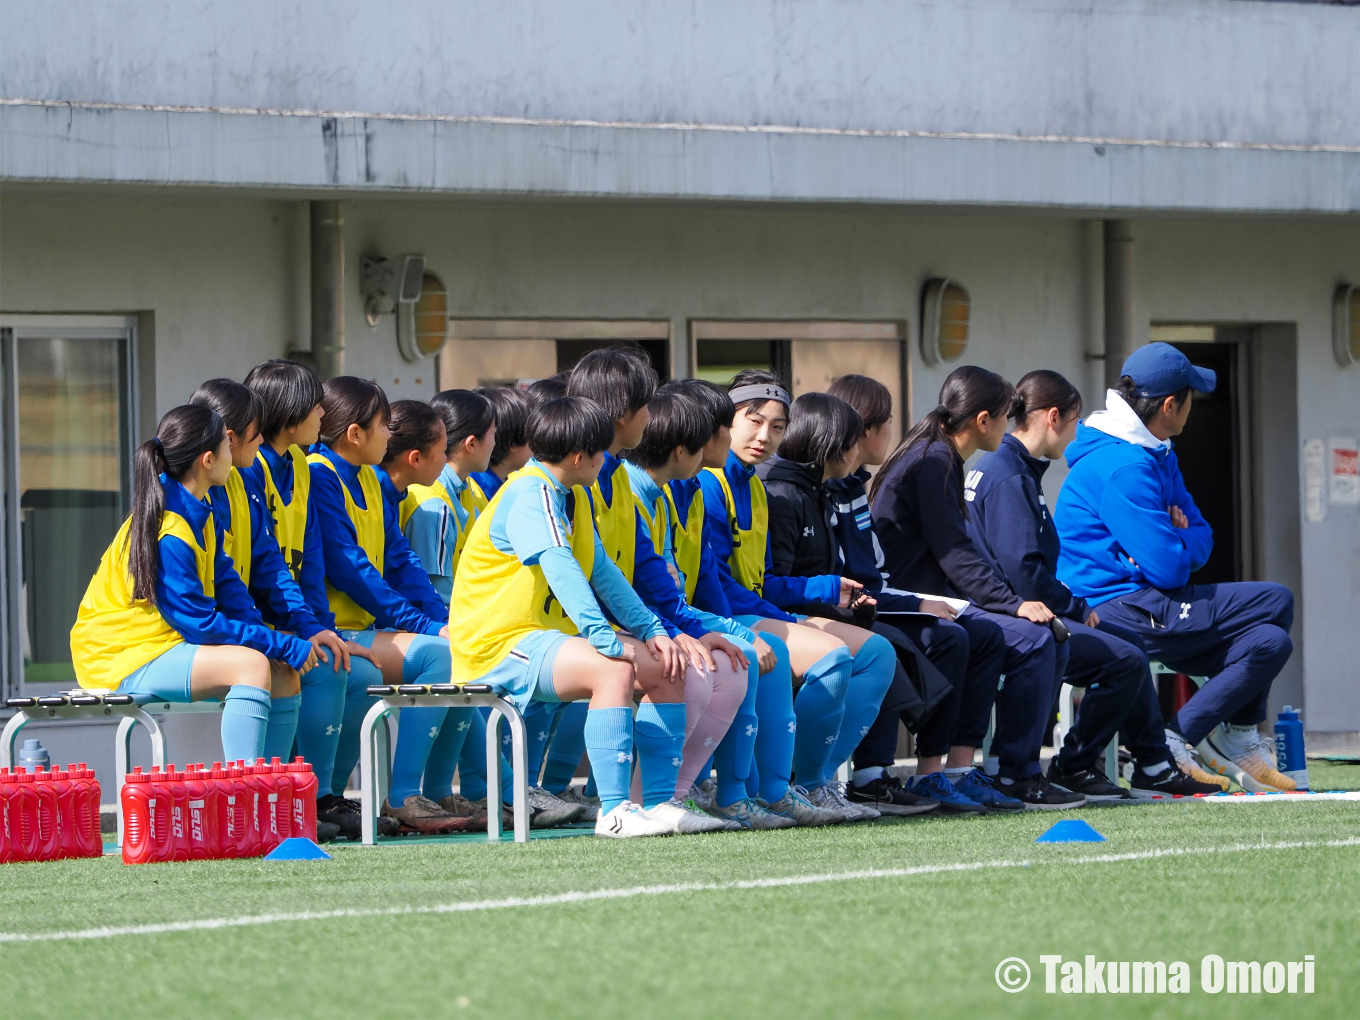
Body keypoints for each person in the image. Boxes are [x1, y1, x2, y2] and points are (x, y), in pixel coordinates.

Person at [967, 370, 1226, 798]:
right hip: (1012, 617)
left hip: (1009, 609)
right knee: (1113, 656)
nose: (1075, 435)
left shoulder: (1010, 467)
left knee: (1126, 649)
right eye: (1073, 423)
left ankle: (1136, 764)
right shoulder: (1009, 472)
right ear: (1053, 417)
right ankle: (1031, 771)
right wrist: (1073, 605)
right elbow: (1023, 568)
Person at [1054, 343, 1297, 792]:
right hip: (1111, 606)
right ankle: (1191, 740)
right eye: (1190, 398)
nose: (1191, 408)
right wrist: (1174, 541)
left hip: (1147, 598)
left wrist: (1175, 538)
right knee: (1275, 598)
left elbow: (1199, 534)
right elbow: (1169, 569)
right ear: (1170, 405)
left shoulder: (1156, 449)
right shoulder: (1123, 464)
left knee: (1270, 641)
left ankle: (1217, 737)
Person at [448, 395, 687, 838]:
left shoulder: (572, 494)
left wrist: (652, 631)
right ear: (581, 457)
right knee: (612, 668)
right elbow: (560, 566)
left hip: (543, 640)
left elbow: (603, 573)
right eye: (602, 452)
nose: (608, 460)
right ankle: (615, 812)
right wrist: (604, 636)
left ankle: (657, 803)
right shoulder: (529, 491)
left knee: (665, 667)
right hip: (497, 644)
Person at [871, 366, 1083, 810]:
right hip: (904, 602)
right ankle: (990, 773)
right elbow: (955, 554)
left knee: (1008, 635)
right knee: (1023, 640)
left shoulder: (941, 456)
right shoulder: (933, 460)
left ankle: (961, 771)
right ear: (983, 420)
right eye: (1007, 416)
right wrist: (1013, 603)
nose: (1010, 426)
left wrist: (1010, 604)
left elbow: (959, 552)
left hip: (935, 598)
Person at [698, 370, 897, 824]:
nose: (764, 436)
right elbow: (713, 585)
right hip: (722, 616)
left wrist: (809, 596)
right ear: (726, 420)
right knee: (830, 657)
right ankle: (789, 784)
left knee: (877, 653)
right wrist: (807, 597)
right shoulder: (713, 484)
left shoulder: (754, 485)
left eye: (777, 426)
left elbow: (759, 581)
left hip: (751, 610)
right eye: (753, 421)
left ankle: (815, 782)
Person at [71, 404, 317, 765]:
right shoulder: (170, 529)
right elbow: (199, 624)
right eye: (226, 447)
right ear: (207, 460)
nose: (232, 454)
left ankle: (272, 801)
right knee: (250, 666)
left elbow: (230, 588)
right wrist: (274, 642)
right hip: (120, 658)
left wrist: (276, 644)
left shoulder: (198, 510)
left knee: (282, 672)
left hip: (157, 645)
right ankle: (245, 796)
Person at [566, 350, 747, 833]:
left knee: (715, 661)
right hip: (551, 630)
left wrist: (681, 629)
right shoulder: (565, 482)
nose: (653, 416)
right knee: (676, 667)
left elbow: (641, 572)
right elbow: (579, 578)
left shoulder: (615, 477)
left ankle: (665, 798)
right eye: (647, 406)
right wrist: (651, 634)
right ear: (623, 414)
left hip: (606, 624)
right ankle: (621, 805)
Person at [403, 389, 579, 828]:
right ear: (471, 444)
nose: (500, 444)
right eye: (495, 435)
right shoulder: (434, 505)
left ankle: (459, 792)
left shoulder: (475, 497)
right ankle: (509, 792)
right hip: (445, 629)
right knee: (469, 682)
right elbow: (434, 589)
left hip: (470, 627)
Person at [303, 382, 464, 834]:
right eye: (381, 426)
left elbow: (401, 562)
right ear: (354, 434)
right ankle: (401, 795)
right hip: (333, 630)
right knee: (439, 655)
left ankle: (426, 793)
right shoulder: (320, 475)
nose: (387, 436)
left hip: (356, 632)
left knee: (453, 646)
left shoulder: (368, 478)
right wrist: (427, 627)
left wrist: (441, 620)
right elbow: (351, 569)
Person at [823, 374, 978, 815]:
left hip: (867, 605)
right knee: (886, 644)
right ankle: (865, 774)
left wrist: (920, 603)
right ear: (863, 430)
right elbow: (833, 580)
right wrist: (915, 603)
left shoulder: (854, 489)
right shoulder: (819, 492)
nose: (891, 431)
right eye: (886, 422)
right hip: (831, 613)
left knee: (969, 634)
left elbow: (876, 575)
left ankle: (935, 773)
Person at [758, 392, 911, 812]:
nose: (858, 451)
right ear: (830, 444)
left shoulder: (814, 489)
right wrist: (827, 592)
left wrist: (844, 604)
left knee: (881, 650)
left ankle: (815, 780)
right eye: (852, 441)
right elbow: (768, 586)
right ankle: (804, 780)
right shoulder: (781, 494)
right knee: (862, 653)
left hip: (797, 612)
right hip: (762, 616)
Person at [621, 389, 767, 828]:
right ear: (681, 450)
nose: (711, 449)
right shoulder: (628, 491)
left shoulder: (663, 495)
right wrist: (668, 632)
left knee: (735, 663)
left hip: (655, 620)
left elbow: (668, 588)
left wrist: (702, 629)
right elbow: (624, 587)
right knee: (689, 674)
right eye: (707, 440)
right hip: (620, 625)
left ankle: (678, 797)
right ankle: (643, 798)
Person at [189, 379, 354, 766]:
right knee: (258, 663)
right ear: (226, 442)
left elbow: (260, 567)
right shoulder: (182, 512)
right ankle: (247, 802)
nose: (261, 440)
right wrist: (271, 641)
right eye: (254, 432)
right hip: (145, 648)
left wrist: (308, 627)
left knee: (304, 663)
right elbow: (197, 616)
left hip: (204, 632)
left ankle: (287, 800)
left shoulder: (235, 485)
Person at [470, 385, 532, 502]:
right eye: (532, 434)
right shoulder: (472, 492)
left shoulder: (501, 486)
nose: (537, 443)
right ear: (512, 440)